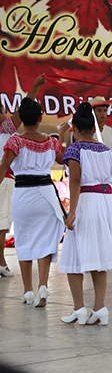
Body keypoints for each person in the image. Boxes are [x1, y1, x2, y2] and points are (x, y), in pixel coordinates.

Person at [59, 102, 112, 326]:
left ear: (75, 129)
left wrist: (72, 211)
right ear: (93, 127)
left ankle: (79, 308)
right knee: (98, 257)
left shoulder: (74, 149)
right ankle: (100, 307)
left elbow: (76, 180)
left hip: (87, 202)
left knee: (75, 256)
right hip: (106, 203)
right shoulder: (106, 150)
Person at [0, 76, 65, 307]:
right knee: (46, 241)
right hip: (46, 195)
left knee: (25, 240)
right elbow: (63, 159)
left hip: (24, 196)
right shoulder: (51, 142)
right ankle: (43, 285)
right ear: (40, 119)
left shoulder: (15, 142)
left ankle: (28, 290)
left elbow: (3, 168)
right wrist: (64, 135)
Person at [0, 102, 24, 278]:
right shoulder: (5, 129)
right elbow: (23, 112)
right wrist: (37, 86)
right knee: (2, 225)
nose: (6, 115)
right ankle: (1, 262)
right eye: (3, 112)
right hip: (4, 179)